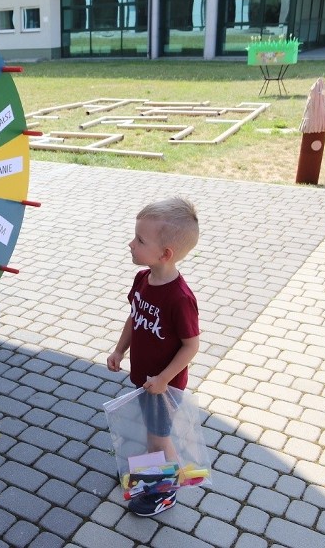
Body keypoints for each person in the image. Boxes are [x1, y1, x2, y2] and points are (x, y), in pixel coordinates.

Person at [106, 197, 200, 517]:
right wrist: (120, 349)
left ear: (165, 254)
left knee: (160, 438)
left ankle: (165, 492)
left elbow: (191, 346)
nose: (131, 244)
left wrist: (163, 379)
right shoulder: (143, 279)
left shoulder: (180, 298)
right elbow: (135, 317)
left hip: (163, 386)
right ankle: (149, 476)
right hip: (145, 380)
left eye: (140, 240)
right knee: (151, 432)